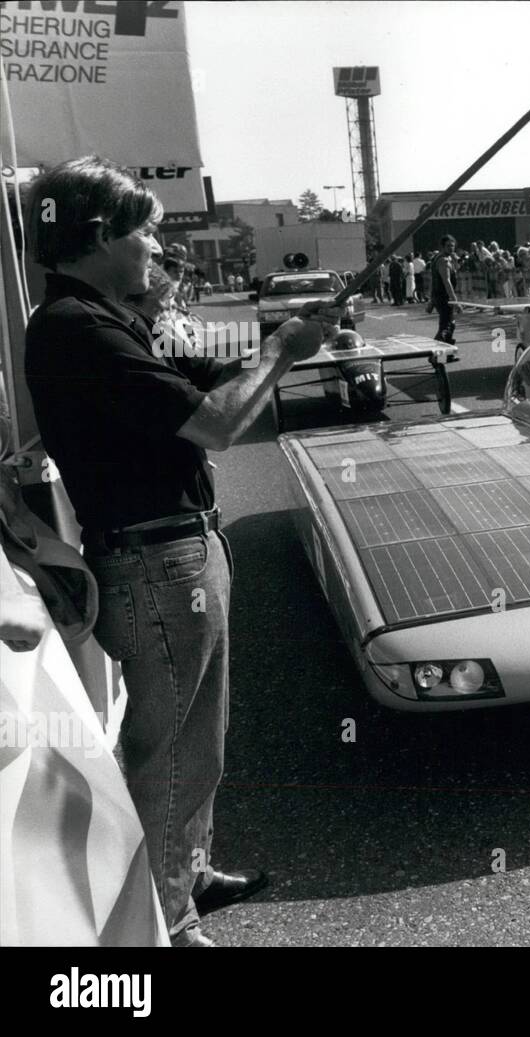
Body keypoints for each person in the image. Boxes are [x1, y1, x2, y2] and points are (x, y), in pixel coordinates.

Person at [23, 156, 340, 947]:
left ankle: (187, 871)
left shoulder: (103, 318)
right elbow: (218, 424)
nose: (155, 252)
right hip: (155, 565)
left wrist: (271, 341)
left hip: (173, 556)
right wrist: (284, 354)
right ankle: (166, 918)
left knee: (199, 743)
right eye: (146, 235)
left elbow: (197, 376)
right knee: (168, 753)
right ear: (101, 237)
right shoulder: (77, 328)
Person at [428, 234, 459, 343]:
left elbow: (434, 281)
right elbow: (446, 281)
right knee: (445, 327)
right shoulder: (443, 261)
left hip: (439, 296)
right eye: (448, 246)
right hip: (443, 297)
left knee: (451, 324)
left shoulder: (444, 258)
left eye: (453, 246)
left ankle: (449, 352)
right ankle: (434, 353)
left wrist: (431, 300)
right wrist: (455, 301)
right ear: (442, 246)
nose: (451, 248)